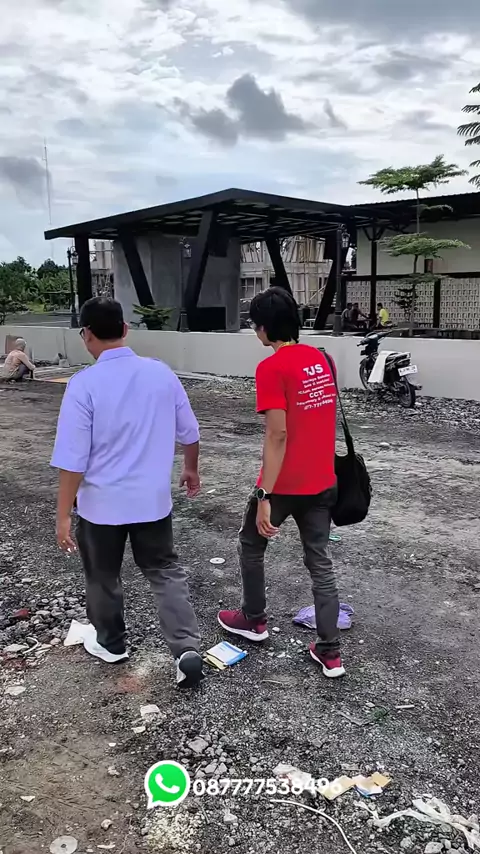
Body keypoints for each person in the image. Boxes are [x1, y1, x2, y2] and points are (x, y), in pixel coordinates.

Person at [50, 297, 203, 688]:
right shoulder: (161, 374)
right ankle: (185, 647)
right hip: (153, 502)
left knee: (102, 575)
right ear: (125, 329)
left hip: (101, 507)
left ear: (86, 335)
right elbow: (190, 432)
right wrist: (190, 468)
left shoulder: (84, 385)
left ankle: (111, 643)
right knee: (164, 571)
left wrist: (63, 513)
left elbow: (73, 460)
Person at [218, 287, 344, 678]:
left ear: (262, 328)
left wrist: (264, 495)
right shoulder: (323, 359)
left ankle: (253, 619)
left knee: (251, 544)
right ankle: (330, 652)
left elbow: (277, 434)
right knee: (319, 562)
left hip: (285, 485)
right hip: (323, 480)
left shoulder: (271, 368)